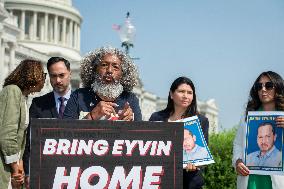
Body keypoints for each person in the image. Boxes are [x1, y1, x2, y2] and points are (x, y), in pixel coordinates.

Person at [149, 76, 209, 189]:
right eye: (181, 91)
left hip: (190, 182)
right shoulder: (157, 117)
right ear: (171, 94)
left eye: (190, 93)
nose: (185, 96)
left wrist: (196, 163)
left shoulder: (201, 121)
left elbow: (202, 155)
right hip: (161, 180)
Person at [22, 57, 72, 188]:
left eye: (62, 75)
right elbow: (30, 141)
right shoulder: (38, 104)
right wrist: (28, 172)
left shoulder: (83, 102)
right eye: (53, 76)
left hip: (76, 172)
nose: (58, 81)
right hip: (46, 172)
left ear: (70, 73)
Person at [233, 71, 284, 189]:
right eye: (259, 86)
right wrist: (238, 162)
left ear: (278, 87)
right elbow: (238, 144)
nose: (263, 89)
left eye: (269, 85)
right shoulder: (247, 116)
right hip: (251, 181)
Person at [63, 46, 142, 121]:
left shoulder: (131, 100)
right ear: (94, 70)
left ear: (123, 74)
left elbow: (141, 133)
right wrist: (91, 116)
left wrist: (131, 123)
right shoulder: (78, 97)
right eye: (104, 65)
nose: (109, 70)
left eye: (116, 67)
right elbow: (63, 131)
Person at [0, 59, 45, 189]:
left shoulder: (22, 96)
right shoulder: (12, 91)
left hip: (13, 165)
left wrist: (19, 165)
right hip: (5, 166)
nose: (44, 79)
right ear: (33, 75)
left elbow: (21, 140)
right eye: (42, 75)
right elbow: (7, 135)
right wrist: (15, 170)